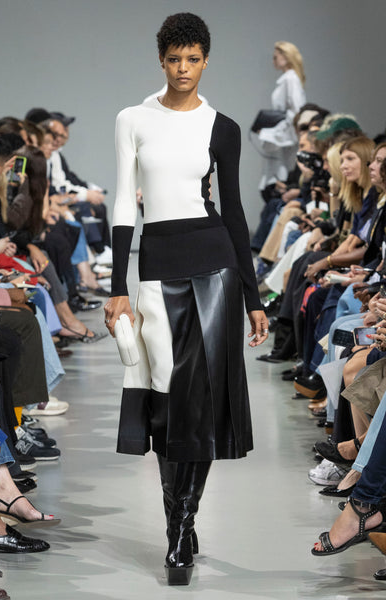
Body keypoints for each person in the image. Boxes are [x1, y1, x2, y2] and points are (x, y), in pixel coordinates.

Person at [104, 12, 268, 586]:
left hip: (215, 266)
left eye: (192, 59)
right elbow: (123, 203)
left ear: (205, 60)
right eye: (174, 59)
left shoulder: (222, 128)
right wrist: (117, 288)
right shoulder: (132, 118)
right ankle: (178, 513)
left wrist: (252, 297)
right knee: (165, 399)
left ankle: (180, 526)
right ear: (161, 60)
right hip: (158, 267)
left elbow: (235, 212)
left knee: (199, 403)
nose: (182, 69)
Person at [254, 41, 306, 202]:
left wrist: (271, 133)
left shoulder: (291, 79)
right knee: (275, 180)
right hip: (283, 139)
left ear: (286, 57)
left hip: (286, 140)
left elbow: (296, 112)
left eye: (275, 57)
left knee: (279, 181)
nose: (273, 61)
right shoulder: (289, 79)